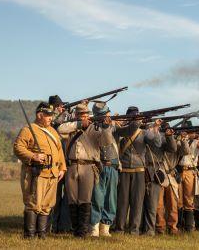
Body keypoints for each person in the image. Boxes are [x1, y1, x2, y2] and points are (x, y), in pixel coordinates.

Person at [14, 102, 67, 239]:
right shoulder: (28, 129)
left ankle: (42, 234)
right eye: (48, 115)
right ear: (39, 115)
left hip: (53, 174)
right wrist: (33, 156)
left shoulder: (53, 131)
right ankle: (30, 235)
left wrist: (62, 168)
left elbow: (59, 151)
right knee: (33, 204)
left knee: (47, 205)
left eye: (51, 115)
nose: (51, 118)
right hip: (36, 173)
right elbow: (18, 148)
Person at [89, 102, 139, 237]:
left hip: (113, 166)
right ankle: (94, 226)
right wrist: (105, 126)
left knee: (110, 199)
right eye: (106, 114)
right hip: (98, 166)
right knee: (97, 198)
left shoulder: (114, 126)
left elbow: (128, 131)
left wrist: (135, 122)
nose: (108, 116)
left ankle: (105, 227)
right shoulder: (92, 127)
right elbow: (104, 140)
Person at [115, 106, 162, 235]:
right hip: (124, 169)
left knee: (137, 202)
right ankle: (119, 228)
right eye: (133, 117)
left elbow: (157, 144)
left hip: (139, 170)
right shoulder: (122, 129)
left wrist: (155, 129)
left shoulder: (144, 132)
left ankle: (134, 230)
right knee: (122, 202)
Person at [56, 102, 101, 237]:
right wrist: (79, 124)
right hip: (72, 166)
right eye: (81, 115)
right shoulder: (72, 127)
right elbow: (60, 129)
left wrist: (104, 126)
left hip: (88, 166)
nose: (84, 117)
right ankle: (76, 229)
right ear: (76, 115)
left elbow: (105, 140)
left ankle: (82, 231)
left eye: (85, 115)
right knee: (72, 200)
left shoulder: (94, 128)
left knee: (85, 200)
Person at [141, 122, 177, 236]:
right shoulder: (143, 133)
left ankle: (149, 230)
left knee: (152, 204)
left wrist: (169, 136)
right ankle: (141, 227)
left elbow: (172, 148)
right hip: (141, 168)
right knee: (139, 203)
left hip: (155, 171)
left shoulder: (161, 136)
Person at [48, 95, 72, 234]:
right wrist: (61, 112)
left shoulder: (64, 117)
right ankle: (52, 225)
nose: (60, 107)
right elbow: (55, 123)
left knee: (68, 196)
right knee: (54, 197)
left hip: (67, 162)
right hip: (55, 164)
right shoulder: (50, 118)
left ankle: (63, 226)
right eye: (57, 106)